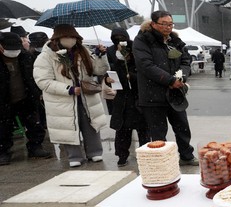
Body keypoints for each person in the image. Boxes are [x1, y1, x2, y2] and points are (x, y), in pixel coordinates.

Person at [33, 25, 109, 167]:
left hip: (86, 96)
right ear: (57, 39)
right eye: (67, 37)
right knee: (67, 126)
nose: (71, 40)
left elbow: (98, 70)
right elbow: (43, 81)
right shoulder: (45, 57)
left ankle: (95, 152)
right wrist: (68, 89)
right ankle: (74, 156)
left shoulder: (83, 51)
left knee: (91, 124)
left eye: (74, 37)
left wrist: (100, 56)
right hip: (62, 99)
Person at [133, 10, 198, 166]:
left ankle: (186, 155)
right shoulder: (142, 40)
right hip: (152, 95)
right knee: (158, 132)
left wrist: (182, 76)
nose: (168, 27)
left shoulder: (174, 41)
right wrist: (169, 80)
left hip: (175, 93)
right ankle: (162, 161)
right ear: (153, 24)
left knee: (182, 127)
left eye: (170, 24)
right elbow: (146, 66)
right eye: (164, 24)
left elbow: (185, 60)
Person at [0, 33, 53, 166]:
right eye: (10, 48)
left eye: (16, 48)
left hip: (26, 96)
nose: (13, 51)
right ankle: (3, 152)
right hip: (4, 99)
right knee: (3, 127)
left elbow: (34, 76)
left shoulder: (26, 57)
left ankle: (35, 147)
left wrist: (37, 92)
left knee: (34, 124)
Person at [106, 28, 150, 166]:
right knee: (123, 129)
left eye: (122, 37)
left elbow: (145, 70)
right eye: (116, 38)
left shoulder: (134, 48)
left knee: (143, 128)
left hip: (137, 94)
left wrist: (132, 75)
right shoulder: (110, 51)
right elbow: (107, 69)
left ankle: (146, 154)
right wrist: (107, 78)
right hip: (122, 95)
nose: (119, 40)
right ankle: (122, 154)